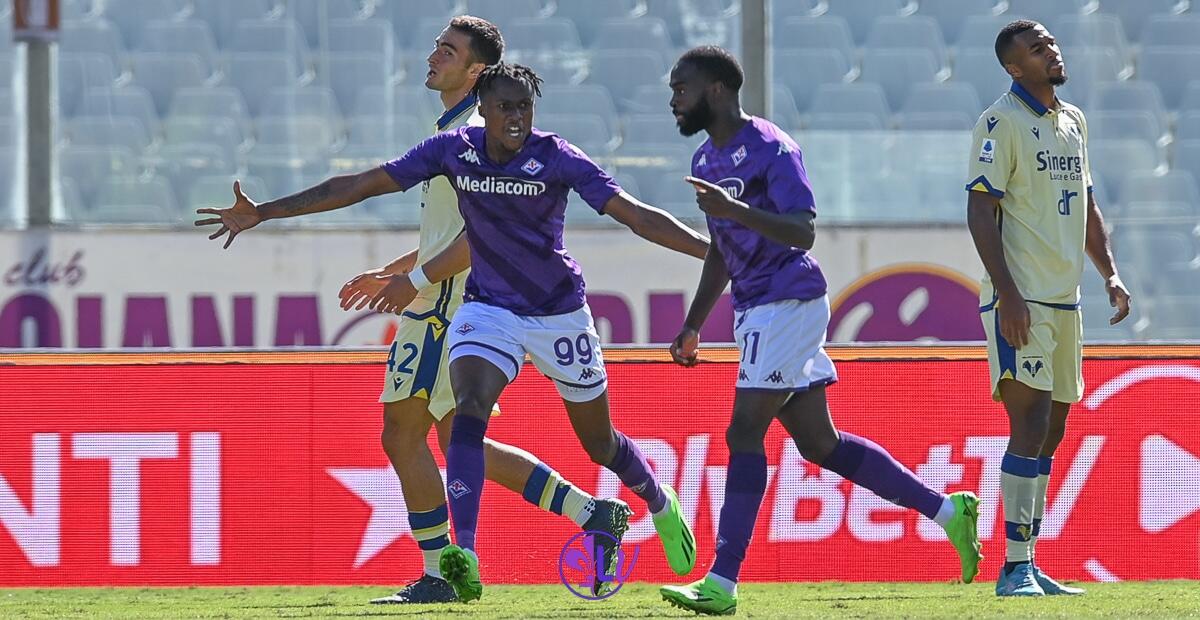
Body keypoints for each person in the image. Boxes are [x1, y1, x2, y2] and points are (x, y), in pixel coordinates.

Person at [195, 16, 630, 603]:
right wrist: (404, 270)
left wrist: (417, 276)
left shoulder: (480, 137)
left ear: (476, 71)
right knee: (444, 441)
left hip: (452, 306)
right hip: (440, 297)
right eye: (434, 46)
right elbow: (459, 229)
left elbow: (485, 238)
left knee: (406, 436)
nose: (432, 57)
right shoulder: (453, 132)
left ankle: (443, 572)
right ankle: (589, 513)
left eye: (446, 51)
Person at [657, 46, 984, 616]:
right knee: (818, 443)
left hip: (788, 301)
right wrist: (693, 323)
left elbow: (802, 232)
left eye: (681, 88)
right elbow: (721, 251)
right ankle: (949, 513)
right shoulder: (709, 160)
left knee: (742, 434)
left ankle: (722, 583)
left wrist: (735, 211)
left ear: (715, 89)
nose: (673, 99)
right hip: (757, 308)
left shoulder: (770, 147)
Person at [374, 61, 710, 603]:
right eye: (505, 105)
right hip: (488, 310)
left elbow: (635, 215)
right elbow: (361, 183)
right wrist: (269, 212)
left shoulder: (556, 156)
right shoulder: (454, 150)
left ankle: (658, 504)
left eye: (524, 106)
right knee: (467, 414)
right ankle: (465, 556)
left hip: (558, 314)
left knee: (600, 444)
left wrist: (713, 251)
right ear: (482, 106)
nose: (516, 116)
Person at [966, 20, 1130, 597]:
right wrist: (1008, 295)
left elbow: (1086, 204)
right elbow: (980, 212)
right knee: (1030, 422)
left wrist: (1109, 274)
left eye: (1051, 43)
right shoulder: (1000, 122)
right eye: (1036, 49)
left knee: (1053, 429)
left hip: (1065, 301)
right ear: (1015, 68)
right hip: (1022, 299)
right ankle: (1011, 569)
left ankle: (1028, 561)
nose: (1051, 52)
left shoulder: (1073, 121)